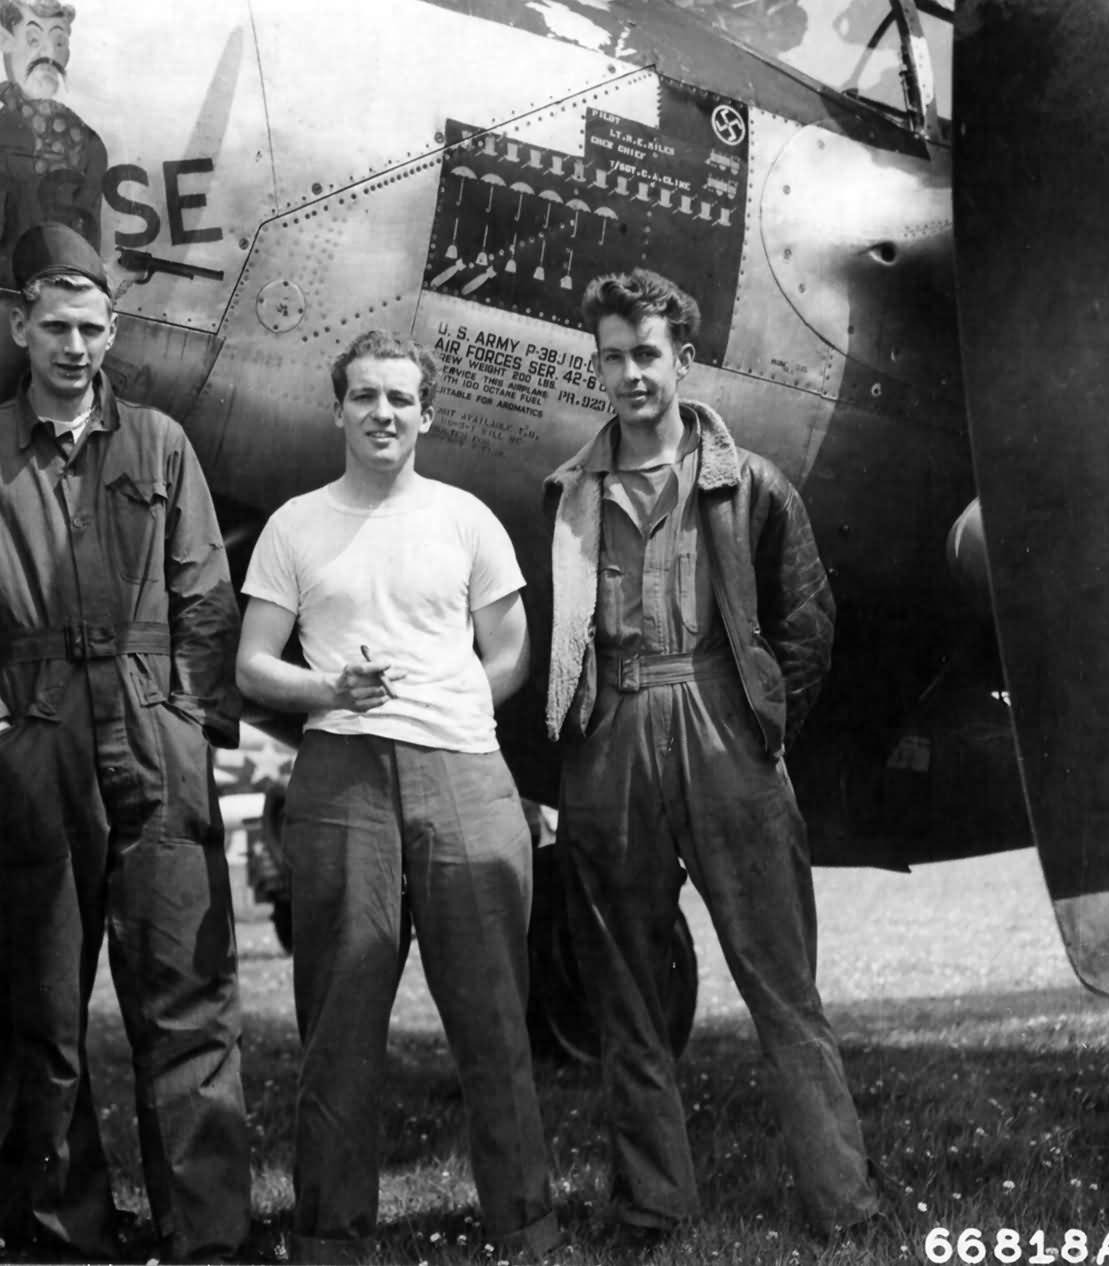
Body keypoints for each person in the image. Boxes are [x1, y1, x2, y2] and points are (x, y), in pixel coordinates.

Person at [0, 222, 249, 1262]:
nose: (72, 346)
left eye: (90, 328)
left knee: (185, 996)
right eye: (54, 326)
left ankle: (207, 1236)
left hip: (153, 731)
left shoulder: (159, 444)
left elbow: (207, 596)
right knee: (46, 1007)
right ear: (21, 328)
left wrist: (187, 723)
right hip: (35, 732)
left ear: (113, 333)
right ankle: (73, 1234)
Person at [544, 268, 878, 1244]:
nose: (629, 373)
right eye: (610, 355)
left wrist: (760, 727)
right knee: (624, 991)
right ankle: (653, 1209)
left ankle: (844, 1207)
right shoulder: (568, 494)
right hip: (611, 737)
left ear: (681, 360)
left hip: (720, 728)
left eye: (646, 353)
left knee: (782, 986)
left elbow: (807, 624)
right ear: (595, 366)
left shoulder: (752, 484)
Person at [237, 329, 562, 1264]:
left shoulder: (466, 519)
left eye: (401, 400)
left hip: (464, 772)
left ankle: (527, 1232)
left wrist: (466, 699)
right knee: (339, 1024)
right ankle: (332, 1240)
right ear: (338, 408)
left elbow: (511, 650)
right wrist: (326, 693)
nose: (384, 413)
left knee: (494, 1014)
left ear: (429, 414)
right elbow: (256, 664)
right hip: (342, 779)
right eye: (366, 396)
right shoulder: (297, 525)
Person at [0, 0, 109, 288]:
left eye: (59, 40)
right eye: (33, 39)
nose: (48, 54)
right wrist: (45, 282)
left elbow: (88, 260)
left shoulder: (89, 144)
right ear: (4, 41)